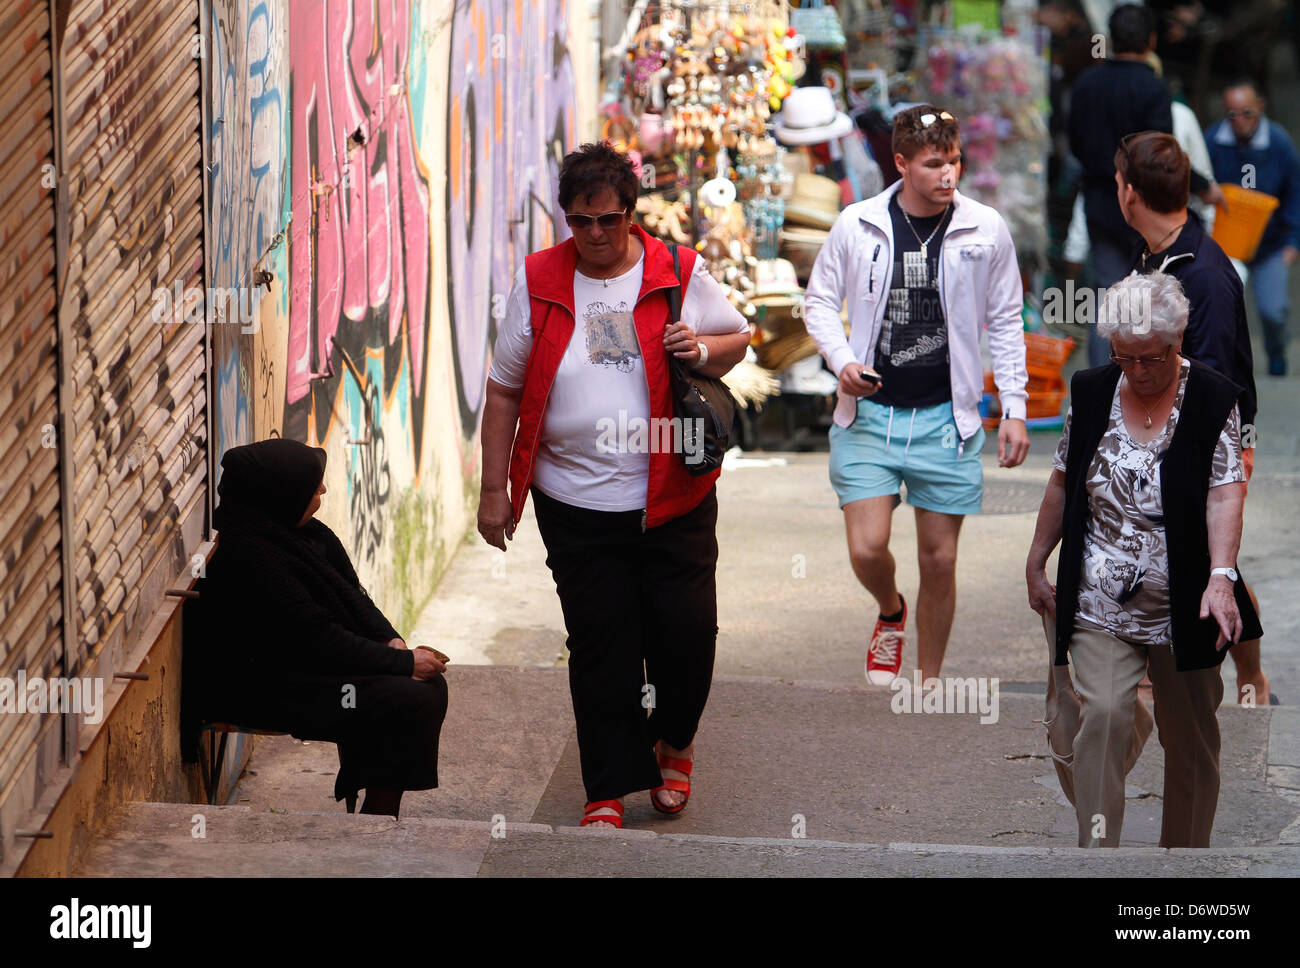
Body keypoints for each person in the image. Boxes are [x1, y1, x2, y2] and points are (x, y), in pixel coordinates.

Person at [476, 141, 750, 829]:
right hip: (572, 499)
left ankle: (675, 740)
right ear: (567, 216)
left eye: (609, 219)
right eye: (581, 220)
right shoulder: (539, 279)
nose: (595, 234)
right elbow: (504, 391)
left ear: (631, 212)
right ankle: (605, 785)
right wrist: (494, 490)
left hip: (674, 494)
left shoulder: (678, 269)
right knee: (601, 644)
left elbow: (737, 339)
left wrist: (703, 348)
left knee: (686, 639)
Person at [1026, 272, 1262, 847]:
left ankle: (1183, 865)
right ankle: (1098, 858)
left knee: (1192, 743)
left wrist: (1222, 579)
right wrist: (1037, 560)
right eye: (1123, 357)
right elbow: (1062, 481)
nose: (1136, 370)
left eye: (1150, 358)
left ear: (1177, 341)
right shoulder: (1090, 390)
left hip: (1185, 603)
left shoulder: (1211, 398)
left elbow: (1225, 490)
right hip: (1100, 600)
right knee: (1102, 718)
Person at [802, 105, 1030, 686]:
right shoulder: (858, 224)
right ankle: (889, 611)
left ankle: (928, 680)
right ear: (901, 163)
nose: (947, 174)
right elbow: (820, 303)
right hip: (869, 417)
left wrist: (1014, 407)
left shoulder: (985, 229)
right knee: (867, 548)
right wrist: (843, 361)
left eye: (953, 161)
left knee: (941, 559)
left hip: (946, 420)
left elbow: (1006, 319)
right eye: (933, 164)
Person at [186, 438, 448, 818]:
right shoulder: (250, 554)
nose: (323, 489)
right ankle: (377, 815)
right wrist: (402, 665)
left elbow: (355, 597)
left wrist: (391, 639)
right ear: (280, 492)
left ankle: (377, 808)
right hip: (263, 687)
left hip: (309, 670)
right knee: (409, 696)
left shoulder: (305, 533)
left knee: (424, 685)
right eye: (313, 484)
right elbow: (318, 638)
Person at [1116, 129, 1271, 705]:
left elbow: (1218, 382)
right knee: (1191, 556)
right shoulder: (1157, 255)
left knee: (1209, 561)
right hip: (1163, 434)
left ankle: (1245, 676)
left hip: (1212, 441)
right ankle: (1178, 673)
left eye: (1116, 180)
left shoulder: (1204, 273)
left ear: (1130, 194)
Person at [1068, 4, 1221, 365]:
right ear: (1151, 41)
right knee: (1149, 305)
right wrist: (1203, 186)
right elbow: (1158, 157)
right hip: (1143, 216)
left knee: (1107, 303)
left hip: (1100, 208)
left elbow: (1074, 144)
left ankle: (1102, 394)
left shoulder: (1087, 83)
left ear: (1109, 41)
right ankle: (1145, 388)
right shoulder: (1153, 88)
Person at [1205, 78, 1300, 376]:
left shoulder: (1278, 142)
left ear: (1261, 107)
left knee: (1274, 310)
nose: (1241, 121)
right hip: (1225, 243)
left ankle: (1276, 352)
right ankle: (1224, 366)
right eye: (1232, 115)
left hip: (1270, 245)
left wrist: (1293, 242)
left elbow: (1296, 193)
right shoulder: (1212, 141)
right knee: (1221, 308)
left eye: (1247, 113)